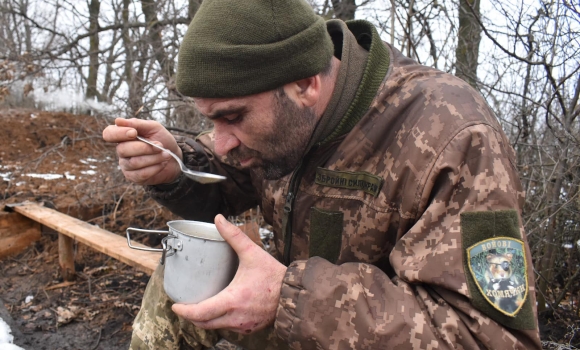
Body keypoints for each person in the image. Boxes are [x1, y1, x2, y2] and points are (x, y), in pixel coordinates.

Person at [102, 0, 542, 348]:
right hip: (303, 324)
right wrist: (175, 166)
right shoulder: (287, 109)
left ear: (306, 85)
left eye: (232, 117)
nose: (220, 142)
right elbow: (230, 178)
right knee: (180, 282)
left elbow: (491, 337)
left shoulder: (453, 135)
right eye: (211, 121)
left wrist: (289, 297)